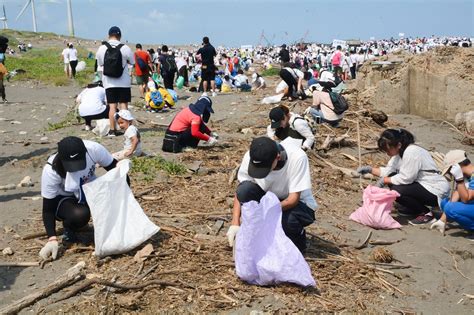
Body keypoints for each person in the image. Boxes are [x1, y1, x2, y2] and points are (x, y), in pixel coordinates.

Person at [227, 136, 317, 253]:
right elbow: (241, 191)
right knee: (245, 190)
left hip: (296, 205)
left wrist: (264, 211)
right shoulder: (251, 156)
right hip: (267, 198)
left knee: (288, 221)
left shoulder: (297, 157)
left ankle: (297, 240)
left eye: (264, 169)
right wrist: (235, 223)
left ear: (277, 158)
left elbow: (293, 199)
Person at [39, 136, 120, 260]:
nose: (75, 169)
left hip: (88, 187)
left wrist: (123, 197)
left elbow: (115, 169)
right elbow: (47, 209)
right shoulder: (51, 171)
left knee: (111, 198)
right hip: (64, 198)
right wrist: (52, 238)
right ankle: (70, 229)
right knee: (80, 215)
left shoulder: (94, 149)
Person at [357, 128, 450, 225]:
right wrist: (370, 170)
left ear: (398, 145)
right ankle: (412, 208)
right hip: (421, 186)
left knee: (397, 190)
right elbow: (388, 171)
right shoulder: (398, 154)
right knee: (393, 180)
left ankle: (426, 214)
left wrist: (384, 180)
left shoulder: (412, 151)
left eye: (388, 149)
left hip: (435, 189)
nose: (387, 153)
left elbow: (407, 178)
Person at [95, 26, 134, 137]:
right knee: (123, 106)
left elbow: (100, 63)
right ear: (120, 36)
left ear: (108, 35)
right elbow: (132, 61)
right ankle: (127, 130)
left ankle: (112, 130)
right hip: (124, 81)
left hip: (109, 82)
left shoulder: (102, 48)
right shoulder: (125, 47)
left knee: (112, 107)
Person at [430, 150, 474, 234]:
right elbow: (456, 195)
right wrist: (442, 220)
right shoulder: (468, 175)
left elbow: (466, 199)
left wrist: (459, 180)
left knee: (451, 209)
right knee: (445, 203)